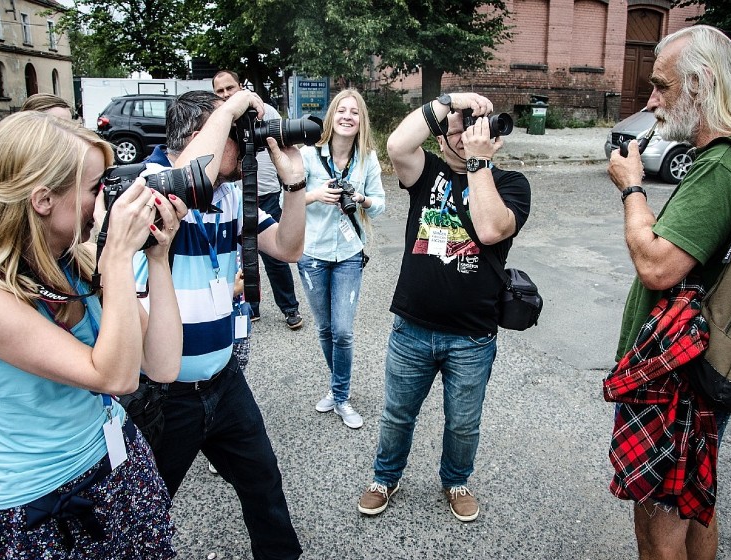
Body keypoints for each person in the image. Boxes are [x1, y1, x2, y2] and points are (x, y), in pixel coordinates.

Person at [0, 111, 185, 560]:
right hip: (48, 504)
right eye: (98, 187)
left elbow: (162, 365)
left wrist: (157, 258)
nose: (109, 200)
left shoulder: (73, 260)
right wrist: (115, 254)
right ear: (42, 199)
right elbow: (115, 378)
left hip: (119, 463)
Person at [606, 25, 731, 560]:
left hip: (676, 376)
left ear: (701, 84)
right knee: (694, 503)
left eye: (662, 86)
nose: (652, 100)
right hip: (706, 366)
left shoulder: (723, 161)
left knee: (658, 531)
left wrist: (632, 186)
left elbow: (657, 265)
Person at [136, 89, 305, 560]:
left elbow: (288, 248)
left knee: (264, 485)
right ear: (199, 136)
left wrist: (293, 186)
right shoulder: (147, 184)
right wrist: (230, 107)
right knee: (147, 509)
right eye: (237, 134)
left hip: (224, 381)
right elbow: (176, 189)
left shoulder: (231, 194)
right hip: (165, 396)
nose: (248, 143)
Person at [357, 93, 531, 521]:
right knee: (397, 415)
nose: (465, 133)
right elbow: (397, 145)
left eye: (473, 127)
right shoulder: (426, 172)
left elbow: (491, 229)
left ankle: (456, 481)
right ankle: (385, 476)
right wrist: (448, 102)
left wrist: (478, 164)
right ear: (439, 139)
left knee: (462, 424)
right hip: (412, 328)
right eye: (455, 128)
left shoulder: (512, 184)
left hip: (472, 335)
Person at [298, 89, 385, 429]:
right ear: (332, 116)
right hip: (312, 253)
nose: (348, 116)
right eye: (342, 111)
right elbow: (285, 202)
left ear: (361, 121)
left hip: (349, 254)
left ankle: (342, 396)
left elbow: (380, 206)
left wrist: (361, 198)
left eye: (355, 112)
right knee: (324, 328)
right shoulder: (308, 156)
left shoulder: (368, 159)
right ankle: (338, 391)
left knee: (343, 331)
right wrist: (317, 194)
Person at [212, 69, 304, 330]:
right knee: (241, 258)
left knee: (276, 258)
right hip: (236, 198)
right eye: (220, 91)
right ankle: (250, 306)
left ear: (241, 86)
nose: (226, 94)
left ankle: (290, 308)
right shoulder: (220, 121)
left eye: (230, 88)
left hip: (268, 194)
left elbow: (283, 145)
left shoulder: (267, 112)